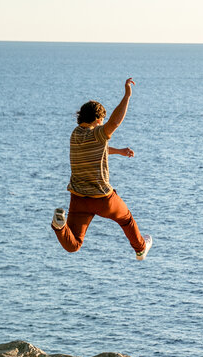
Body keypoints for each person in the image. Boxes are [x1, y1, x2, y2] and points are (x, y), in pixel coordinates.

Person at [51, 78, 153, 260]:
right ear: (98, 120)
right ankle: (140, 249)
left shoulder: (75, 135)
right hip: (102, 199)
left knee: (74, 245)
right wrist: (127, 96)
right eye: (102, 121)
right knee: (126, 219)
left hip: (79, 198)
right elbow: (114, 123)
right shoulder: (97, 133)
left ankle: (59, 226)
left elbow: (98, 148)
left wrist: (119, 151)